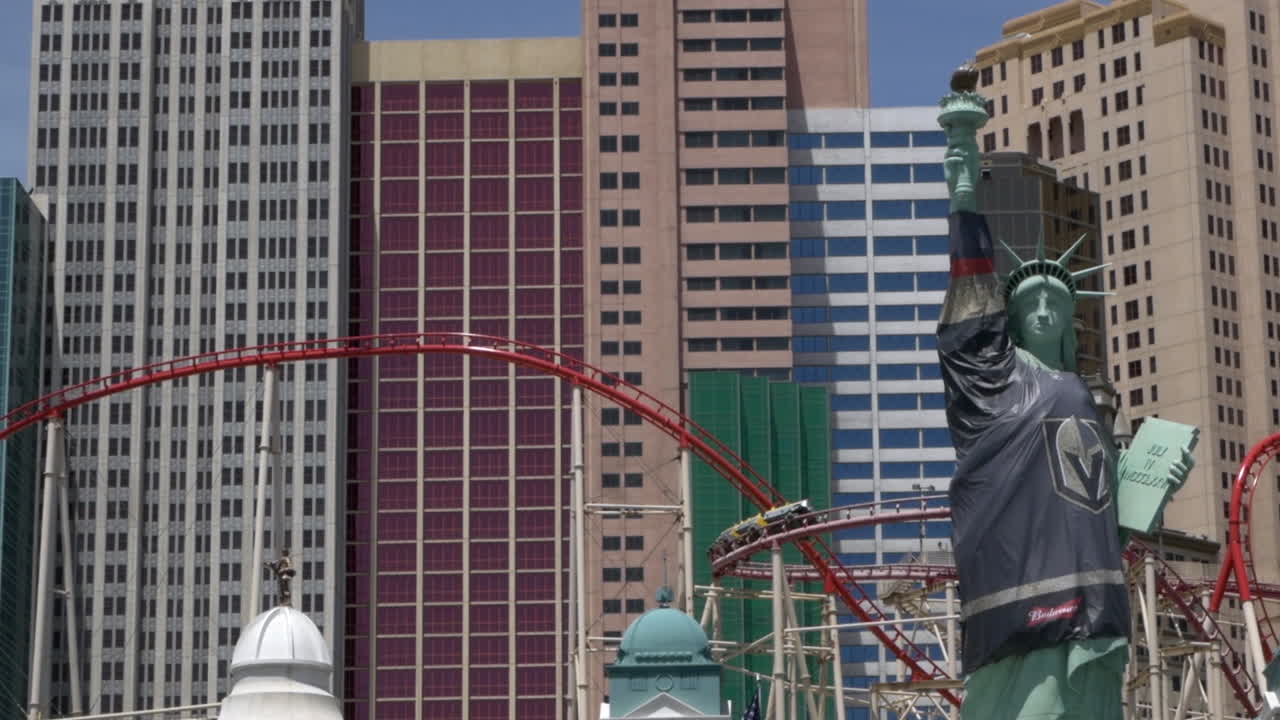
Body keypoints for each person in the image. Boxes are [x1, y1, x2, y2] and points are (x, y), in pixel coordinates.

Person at [936, 66, 1192, 719]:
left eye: (1056, 299)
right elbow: (970, 296)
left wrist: (1152, 488)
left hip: (1095, 594)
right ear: (1012, 317)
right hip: (1025, 589)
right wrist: (964, 181)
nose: (1045, 309)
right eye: (1032, 300)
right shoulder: (995, 377)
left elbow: (1105, 505)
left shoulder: (1081, 393)